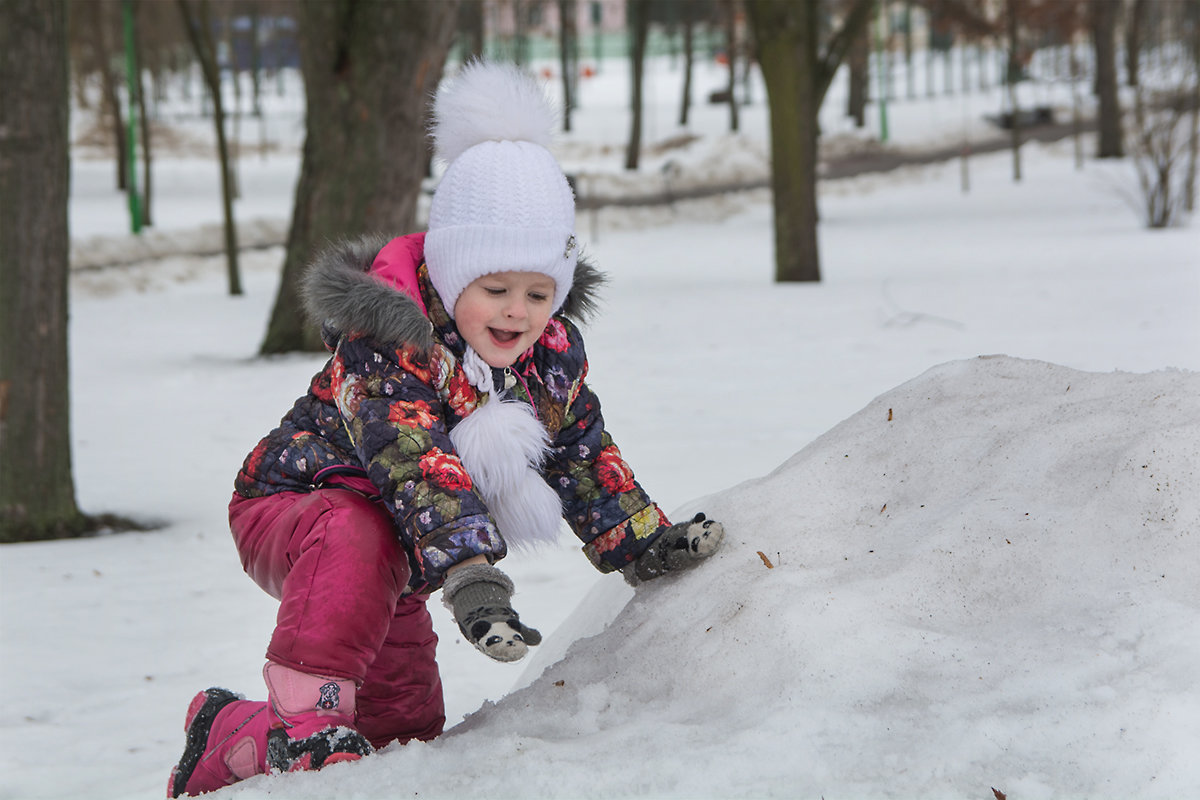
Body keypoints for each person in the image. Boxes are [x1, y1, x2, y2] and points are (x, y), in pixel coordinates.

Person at [167, 61, 725, 797]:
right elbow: (414, 462)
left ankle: (227, 738)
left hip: (399, 555)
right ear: (452, 272)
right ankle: (301, 719)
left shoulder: (546, 356)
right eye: (494, 289)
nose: (516, 313)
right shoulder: (388, 344)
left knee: (401, 734)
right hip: (296, 510)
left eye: (537, 293)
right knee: (353, 528)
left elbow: (583, 451)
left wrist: (642, 540)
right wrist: (471, 577)